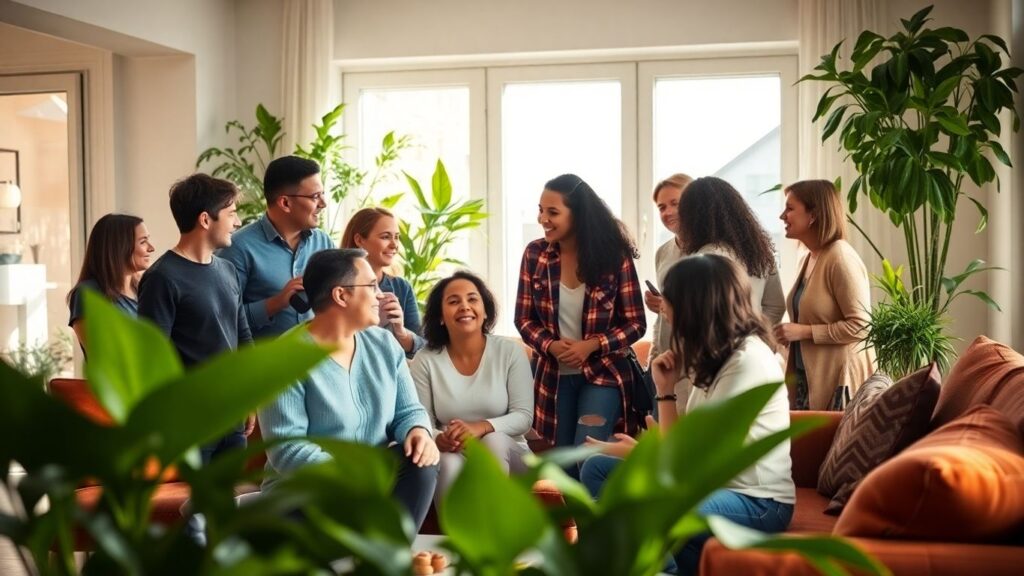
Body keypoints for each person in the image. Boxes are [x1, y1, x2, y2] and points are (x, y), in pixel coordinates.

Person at [580, 254, 794, 575]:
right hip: (713, 487)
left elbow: (690, 466)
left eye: (671, 304)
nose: (667, 312)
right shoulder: (717, 357)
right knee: (597, 469)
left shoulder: (745, 363)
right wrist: (664, 388)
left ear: (695, 307)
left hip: (758, 502)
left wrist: (639, 453)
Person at [257, 249, 439, 530]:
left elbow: (408, 411)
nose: (381, 295)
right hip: (307, 496)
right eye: (371, 285)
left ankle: (388, 557)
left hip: (367, 483)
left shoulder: (385, 344)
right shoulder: (283, 359)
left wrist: (418, 431)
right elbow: (287, 450)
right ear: (341, 295)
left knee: (421, 461)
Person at [514, 173, 646, 454]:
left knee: (585, 452)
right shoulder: (534, 255)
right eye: (540, 210)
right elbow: (523, 319)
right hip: (553, 377)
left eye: (553, 212)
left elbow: (636, 323)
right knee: (563, 462)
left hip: (604, 374)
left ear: (578, 214)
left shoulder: (614, 255)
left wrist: (593, 345)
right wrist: (550, 345)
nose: (542, 219)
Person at [137, 173, 253, 463]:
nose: (237, 222)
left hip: (233, 418)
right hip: (191, 426)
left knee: (226, 506)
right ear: (205, 219)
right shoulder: (162, 278)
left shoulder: (228, 270)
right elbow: (153, 359)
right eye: (231, 213)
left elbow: (243, 336)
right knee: (194, 508)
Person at [410, 271, 533, 504]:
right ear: (440, 317)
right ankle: (457, 538)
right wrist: (438, 438)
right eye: (454, 301)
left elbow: (524, 417)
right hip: (455, 450)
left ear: (485, 311)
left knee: (493, 441)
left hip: (510, 451)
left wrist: (483, 427)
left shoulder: (510, 352)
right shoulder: (425, 360)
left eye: (472, 299)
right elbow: (421, 419)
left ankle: (493, 534)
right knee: (445, 461)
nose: (464, 306)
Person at [775, 179, 875, 410]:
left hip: (840, 385)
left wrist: (805, 332)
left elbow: (862, 326)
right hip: (807, 381)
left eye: (790, 208)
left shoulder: (840, 258)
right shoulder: (809, 257)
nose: (782, 216)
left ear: (814, 215)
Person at [218, 155, 334, 340]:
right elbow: (222, 319)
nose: (323, 203)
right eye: (315, 196)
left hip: (319, 361)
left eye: (322, 194)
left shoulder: (324, 243)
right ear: (285, 203)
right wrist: (276, 303)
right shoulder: (239, 248)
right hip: (266, 365)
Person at [340, 207, 424, 358]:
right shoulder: (338, 287)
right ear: (359, 240)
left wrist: (401, 332)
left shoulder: (401, 288)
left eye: (397, 237)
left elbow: (422, 349)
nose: (394, 245)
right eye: (386, 237)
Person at [67, 213, 155, 351]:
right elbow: (102, 354)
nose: (151, 248)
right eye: (143, 242)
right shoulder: (88, 294)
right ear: (120, 247)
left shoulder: (144, 289)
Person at [644, 174, 693, 369]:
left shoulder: (712, 250)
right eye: (662, 207)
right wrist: (654, 355)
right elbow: (661, 320)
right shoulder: (663, 253)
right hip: (666, 358)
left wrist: (667, 305)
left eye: (676, 203)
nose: (668, 212)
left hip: (697, 359)